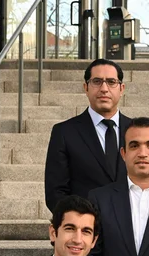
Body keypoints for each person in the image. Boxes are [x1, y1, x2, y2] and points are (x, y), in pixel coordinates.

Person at [88, 117, 149, 256]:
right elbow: (90, 253)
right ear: (123, 153)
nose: (142, 153)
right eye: (134, 146)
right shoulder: (99, 198)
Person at [45, 59, 131, 212]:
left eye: (111, 82)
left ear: (121, 88)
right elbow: (55, 193)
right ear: (86, 87)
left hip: (132, 225)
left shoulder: (138, 131)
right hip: (85, 224)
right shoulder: (64, 132)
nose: (104, 89)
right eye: (97, 81)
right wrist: (80, 222)